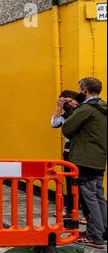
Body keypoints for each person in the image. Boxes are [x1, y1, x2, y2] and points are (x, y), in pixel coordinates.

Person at [63, 77, 107, 249]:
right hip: (99, 158)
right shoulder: (103, 108)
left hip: (84, 158)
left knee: (89, 199)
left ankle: (95, 236)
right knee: (99, 197)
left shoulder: (87, 108)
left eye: (80, 88)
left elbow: (67, 128)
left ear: (85, 90)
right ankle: (103, 232)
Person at [51, 91, 84, 219]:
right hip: (68, 152)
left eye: (69, 101)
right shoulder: (65, 115)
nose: (68, 104)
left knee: (82, 183)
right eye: (64, 102)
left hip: (80, 151)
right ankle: (69, 208)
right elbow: (54, 124)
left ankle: (83, 211)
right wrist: (58, 108)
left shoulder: (82, 113)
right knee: (69, 182)